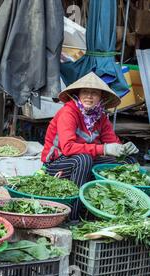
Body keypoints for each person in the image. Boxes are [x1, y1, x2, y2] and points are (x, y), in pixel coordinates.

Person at [41, 72, 139, 221]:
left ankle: (117, 215)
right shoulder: (69, 112)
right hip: (57, 162)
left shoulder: (100, 117)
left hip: (85, 159)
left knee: (128, 162)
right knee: (84, 159)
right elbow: (67, 148)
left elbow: (113, 142)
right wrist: (104, 149)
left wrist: (124, 148)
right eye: (85, 92)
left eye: (94, 93)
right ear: (78, 95)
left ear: (101, 98)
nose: (89, 96)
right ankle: (72, 218)